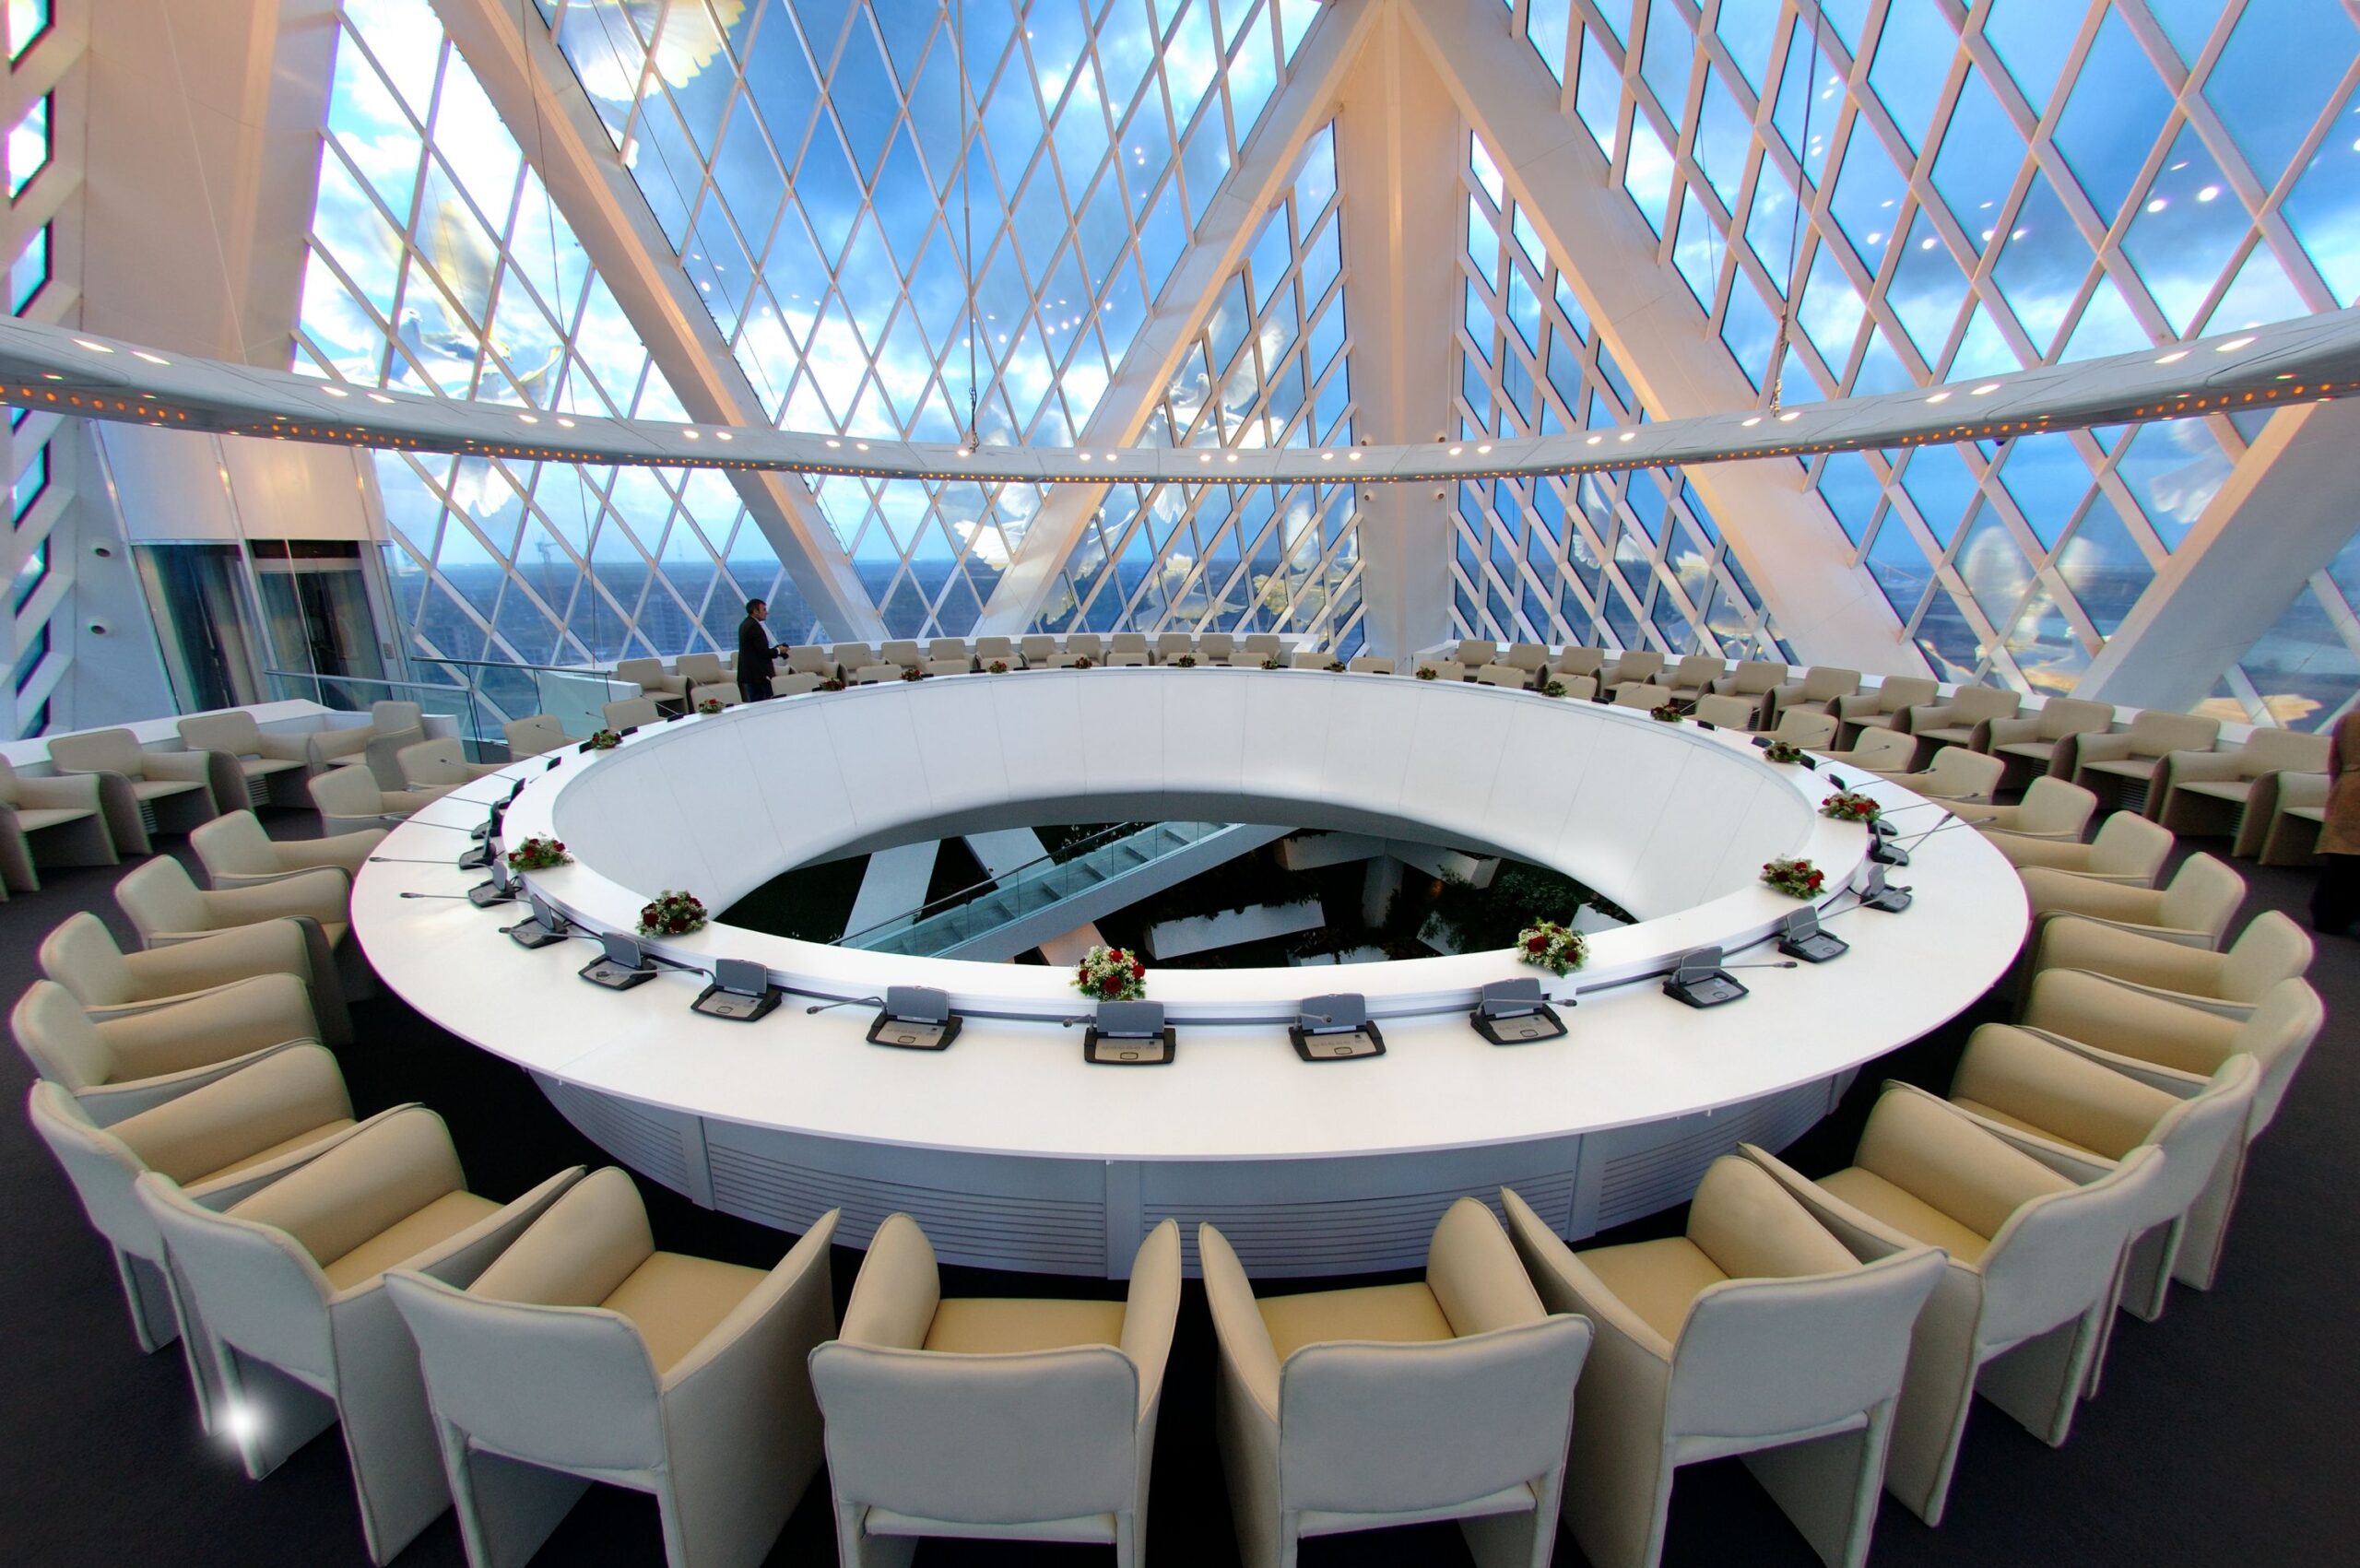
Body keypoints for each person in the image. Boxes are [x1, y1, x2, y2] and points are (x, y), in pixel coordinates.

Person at [2312, 707, 2360, 936]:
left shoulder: (2349, 719)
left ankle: (2327, 916)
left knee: (2341, 859)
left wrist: (2337, 791)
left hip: (2347, 789)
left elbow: (2335, 761)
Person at [736, 597, 787, 705]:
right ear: (755, 611)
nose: (766, 612)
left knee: (756, 702)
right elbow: (763, 652)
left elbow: (756, 649)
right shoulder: (753, 627)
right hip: (758, 675)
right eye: (763, 609)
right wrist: (779, 650)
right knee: (764, 704)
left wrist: (776, 649)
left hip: (751, 674)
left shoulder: (745, 624)